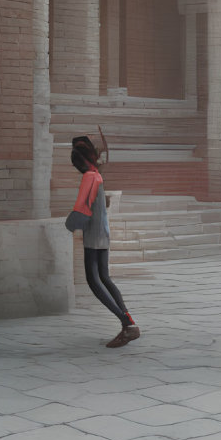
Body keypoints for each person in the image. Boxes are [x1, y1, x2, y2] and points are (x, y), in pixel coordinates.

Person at [65, 136, 140, 348]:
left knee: (94, 280)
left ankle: (127, 324)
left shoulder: (89, 177)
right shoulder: (97, 175)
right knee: (105, 278)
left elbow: (81, 208)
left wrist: (69, 225)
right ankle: (129, 322)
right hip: (103, 233)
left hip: (94, 235)